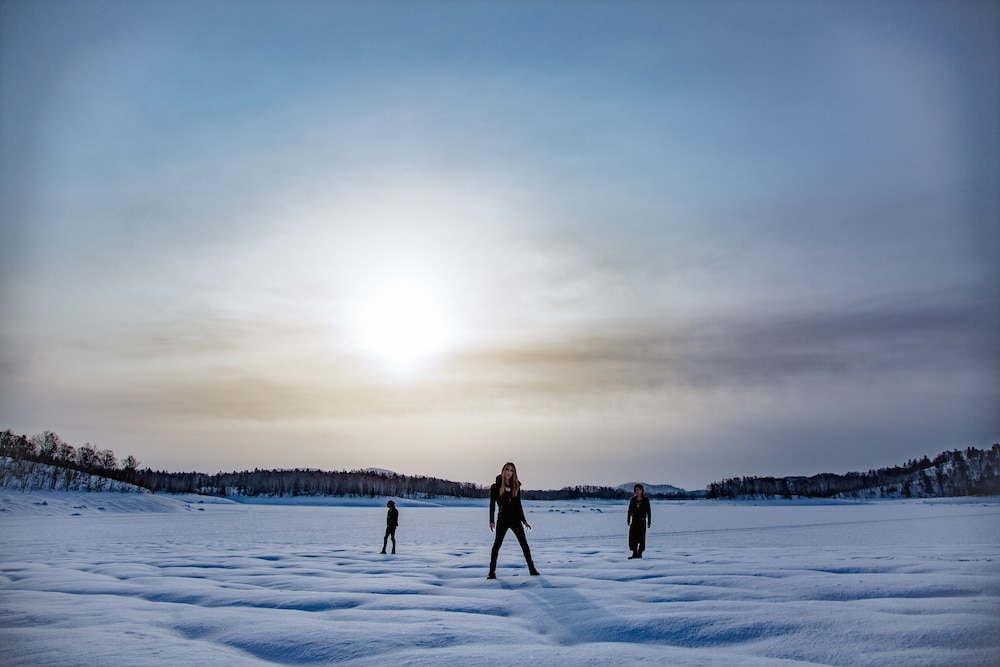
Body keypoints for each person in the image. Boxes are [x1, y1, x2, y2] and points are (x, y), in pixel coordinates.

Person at [488, 462, 538, 579]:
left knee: (524, 544)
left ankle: (532, 569)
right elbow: (492, 505)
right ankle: (491, 572)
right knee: (497, 544)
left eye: (511, 470)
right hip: (503, 519)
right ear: (503, 470)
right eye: (507, 470)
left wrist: (524, 521)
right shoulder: (496, 487)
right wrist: (491, 521)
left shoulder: (516, 486)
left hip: (515, 519)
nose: (509, 472)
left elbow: (518, 505)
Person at [627, 484, 651, 559]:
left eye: (638, 490)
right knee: (633, 537)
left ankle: (639, 553)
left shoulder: (645, 500)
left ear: (642, 490)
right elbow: (629, 511)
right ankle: (634, 553)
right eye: (635, 490)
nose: (636, 491)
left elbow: (648, 512)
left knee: (641, 538)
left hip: (641, 521)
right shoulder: (633, 500)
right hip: (634, 521)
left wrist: (649, 521)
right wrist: (628, 519)